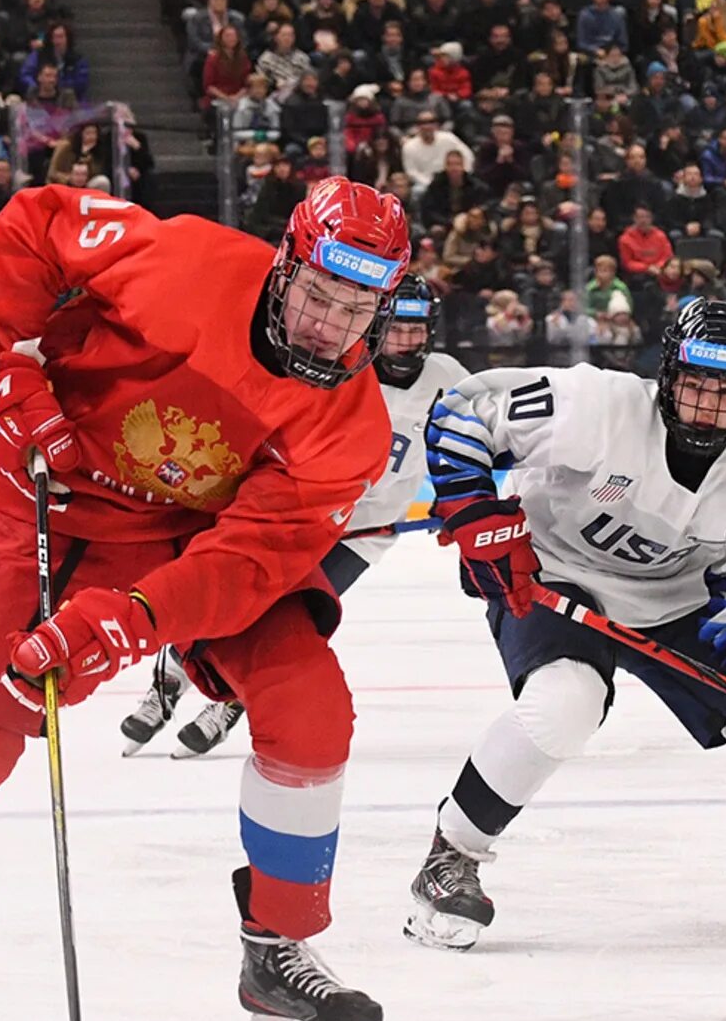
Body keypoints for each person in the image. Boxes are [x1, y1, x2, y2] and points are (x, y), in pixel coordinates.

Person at [0, 177, 411, 1021]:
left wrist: (134, 620)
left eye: (358, 309)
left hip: (180, 544)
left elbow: (247, 564)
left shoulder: (349, 429)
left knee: (309, 706)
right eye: (319, 295)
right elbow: (34, 227)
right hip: (40, 490)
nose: (330, 326)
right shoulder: (186, 259)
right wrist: (6, 359)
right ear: (286, 266)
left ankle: (276, 949)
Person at [404, 298, 726, 950]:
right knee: (565, 705)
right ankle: (452, 854)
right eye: (696, 385)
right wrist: (475, 512)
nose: (707, 407)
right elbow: (463, 412)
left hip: (676, 605)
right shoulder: (599, 406)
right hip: (555, 575)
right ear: (668, 376)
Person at [122, 278, 468, 758]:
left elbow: (470, 446)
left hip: (361, 534)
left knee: (282, 616)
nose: (405, 342)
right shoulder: (342, 370)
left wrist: (462, 501)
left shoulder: (449, 380)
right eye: (397, 330)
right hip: (301, 515)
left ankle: (231, 700)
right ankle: (166, 687)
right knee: (216, 591)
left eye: (415, 331)